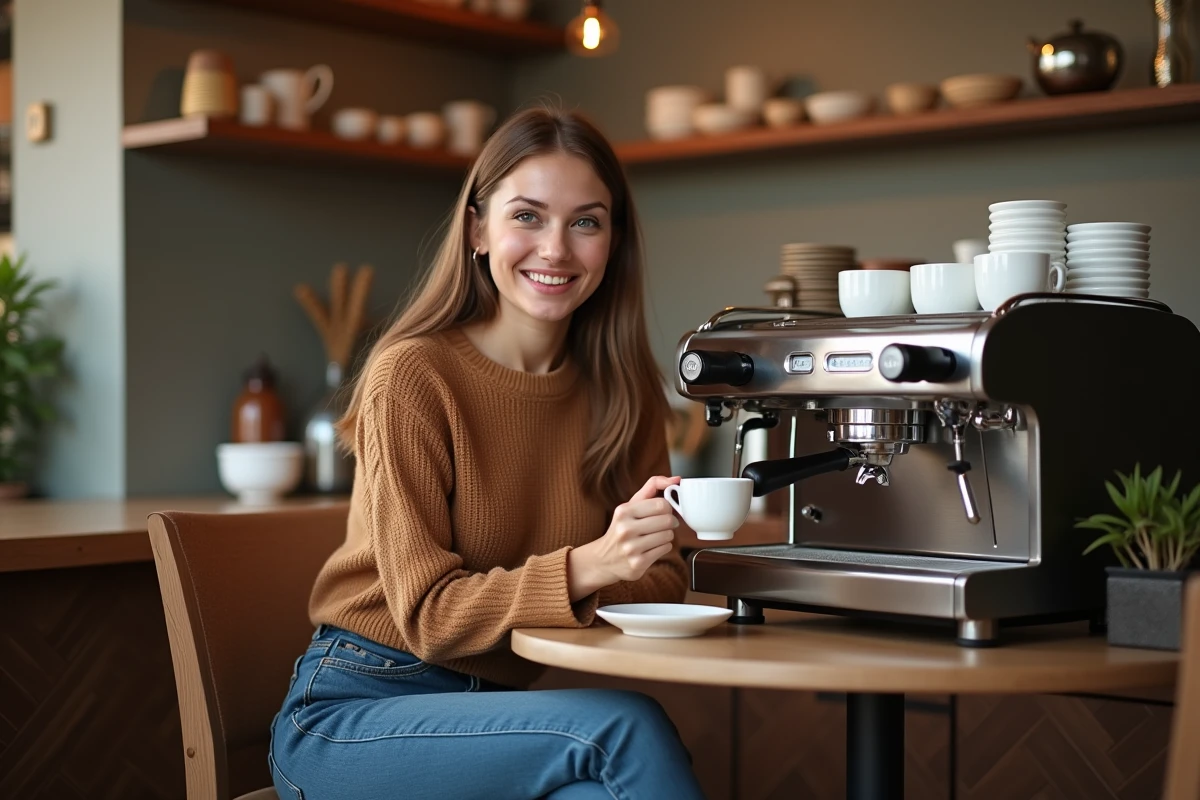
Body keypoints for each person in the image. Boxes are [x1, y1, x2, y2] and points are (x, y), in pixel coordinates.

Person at [268, 106, 708, 800]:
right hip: (355, 714)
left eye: (586, 222)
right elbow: (431, 617)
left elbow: (661, 580)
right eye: (527, 216)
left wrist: (609, 567)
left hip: (495, 723)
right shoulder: (413, 376)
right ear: (477, 229)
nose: (556, 249)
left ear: (613, 242)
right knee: (623, 729)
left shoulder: (624, 395)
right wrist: (591, 566)